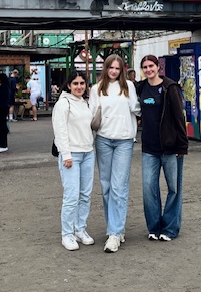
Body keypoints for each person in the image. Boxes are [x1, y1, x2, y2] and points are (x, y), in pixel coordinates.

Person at [89, 54, 140, 253]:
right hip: (103, 139)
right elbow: (91, 114)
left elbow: (136, 108)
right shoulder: (96, 88)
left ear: (122, 70)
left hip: (124, 140)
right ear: (106, 68)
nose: (114, 71)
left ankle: (114, 233)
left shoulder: (129, 86)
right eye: (111, 67)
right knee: (106, 186)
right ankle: (115, 227)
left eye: (117, 68)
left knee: (119, 186)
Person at [135, 54, 188, 242]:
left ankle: (170, 228)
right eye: (145, 67)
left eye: (151, 66)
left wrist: (182, 145)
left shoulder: (169, 87)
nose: (148, 70)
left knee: (174, 188)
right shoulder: (141, 88)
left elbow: (179, 117)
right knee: (149, 189)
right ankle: (154, 227)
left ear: (158, 67)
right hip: (149, 149)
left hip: (170, 148)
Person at [52, 70, 95, 251]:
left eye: (82, 83)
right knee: (71, 196)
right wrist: (66, 154)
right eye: (75, 83)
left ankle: (80, 229)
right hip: (71, 155)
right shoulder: (63, 104)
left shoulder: (85, 103)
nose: (79, 87)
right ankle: (67, 234)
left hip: (88, 152)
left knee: (85, 195)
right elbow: (60, 130)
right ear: (69, 85)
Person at [0, 73, 11, 153]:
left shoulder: (4, 87)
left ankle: (2, 145)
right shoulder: (5, 87)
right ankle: (2, 144)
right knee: (0, 125)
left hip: (2, 108)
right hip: (2, 108)